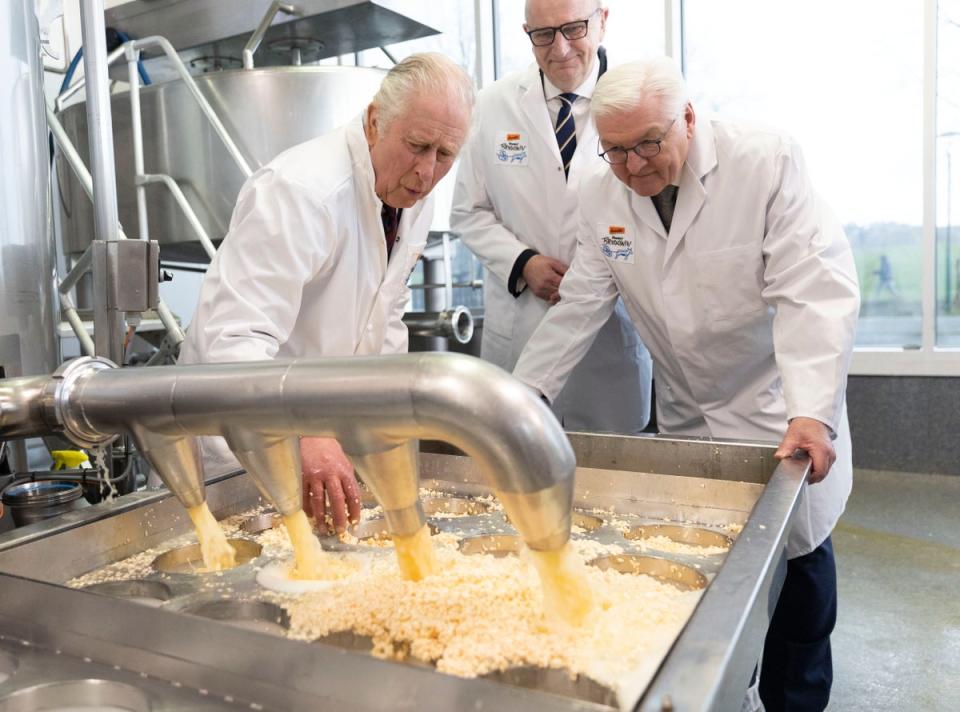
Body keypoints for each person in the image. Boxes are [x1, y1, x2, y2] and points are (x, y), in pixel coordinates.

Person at [513, 57, 860, 712]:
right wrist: (522, 397)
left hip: (776, 408)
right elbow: (583, 301)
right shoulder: (598, 193)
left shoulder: (763, 161)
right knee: (704, 585)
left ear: (689, 118)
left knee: (799, 586)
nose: (634, 166)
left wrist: (810, 410)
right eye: (615, 150)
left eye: (649, 143)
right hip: (687, 415)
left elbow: (812, 292)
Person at [179, 53, 475, 534]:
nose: (427, 172)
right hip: (238, 452)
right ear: (377, 121)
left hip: (326, 445)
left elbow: (385, 316)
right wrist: (301, 431)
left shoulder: (410, 196)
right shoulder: (301, 192)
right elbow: (231, 343)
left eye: (445, 156)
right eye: (418, 146)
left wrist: (389, 424)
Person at [450, 0, 652, 433]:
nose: (559, 49)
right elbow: (468, 211)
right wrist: (523, 263)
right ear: (527, 32)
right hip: (522, 324)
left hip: (607, 343)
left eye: (573, 29)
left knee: (609, 485)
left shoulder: (638, 106)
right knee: (518, 468)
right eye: (543, 34)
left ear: (603, 22)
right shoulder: (492, 106)